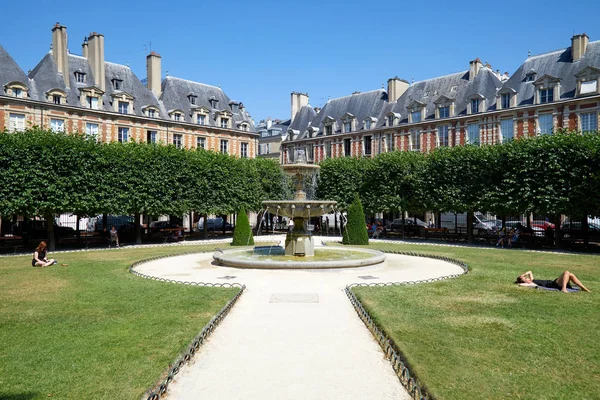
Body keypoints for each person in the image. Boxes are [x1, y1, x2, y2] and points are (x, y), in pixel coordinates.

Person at [516, 270, 591, 293]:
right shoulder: (531, 283)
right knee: (566, 272)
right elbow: (521, 285)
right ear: (524, 282)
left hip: (555, 283)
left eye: (525, 277)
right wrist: (522, 282)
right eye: (524, 278)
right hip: (554, 284)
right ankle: (564, 288)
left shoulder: (532, 280)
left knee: (570, 274)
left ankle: (583, 288)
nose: (526, 278)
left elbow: (530, 271)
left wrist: (523, 274)